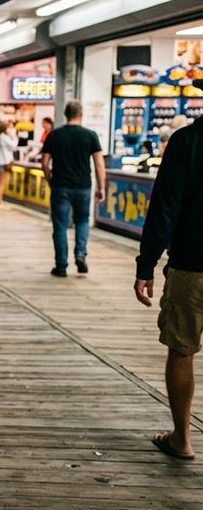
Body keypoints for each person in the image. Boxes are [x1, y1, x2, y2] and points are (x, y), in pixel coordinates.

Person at [134, 115, 202, 461]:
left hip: (192, 266)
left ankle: (182, 439)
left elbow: (165, 207)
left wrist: (146, 265)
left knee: (181, 349)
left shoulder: (186, 141)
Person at [41, 100, 105, 277]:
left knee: (60, 226)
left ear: (65, 114)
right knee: (82, 221)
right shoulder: (90, 135)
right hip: (83, 186)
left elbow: (45, 162)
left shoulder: (54, 135)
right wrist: (102, 187)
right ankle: (80, 254)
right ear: (81, 114)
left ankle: (61, 266)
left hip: (60, 186)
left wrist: (50, 179)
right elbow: (99, 163)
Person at [0, 121, 18, 209]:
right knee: (1, 183)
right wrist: (14, 137)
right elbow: (13, 146)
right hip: (2, 162)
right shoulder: (3, 137)